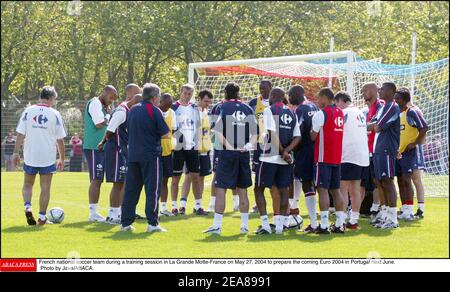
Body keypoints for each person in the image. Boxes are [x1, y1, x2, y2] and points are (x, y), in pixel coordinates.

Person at [203, 82, 257, 235]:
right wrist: (247, 146)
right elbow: (255, 134)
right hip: (243, 154)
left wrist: (229, 146)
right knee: (243, 190)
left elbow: (218, 132)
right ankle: (244, 226)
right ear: (238, 93)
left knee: (221, 189)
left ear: (225, 93)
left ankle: (217, 226)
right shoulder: (247, 108)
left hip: (227, 154)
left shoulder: (223, 107)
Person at [13, 86, 66, 225]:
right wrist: (61, 157)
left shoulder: (28, 111)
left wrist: (15, 153)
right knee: (45, 187)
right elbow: (60, 139)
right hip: (47, 156)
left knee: (28, 183)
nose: (55, 101)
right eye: (54, 99)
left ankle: (27, 206)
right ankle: (42, 218)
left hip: (30, 154)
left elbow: (20, 134)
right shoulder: (55, 114)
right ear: (50, 98)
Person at [120, 83, 169, 232]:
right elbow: (165, 134)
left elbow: (127, 128)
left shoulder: (133, 109)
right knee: (152, 189)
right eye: (159, 97)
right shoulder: (155, 110)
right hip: (150, 155)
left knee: (131, 190)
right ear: (154, 97)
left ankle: (125, 223)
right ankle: (152, 224)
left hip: (133, 155)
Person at [254, 87, 301, 234]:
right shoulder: (291, 112)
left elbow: (272, 133)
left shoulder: (270, 110)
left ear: (274, 96)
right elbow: (298, 136)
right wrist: (287, 152)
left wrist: (281, 151)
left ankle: (266, 225)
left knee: (259, 189)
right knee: (283, 191)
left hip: (269, 157)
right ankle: (280, 227)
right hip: (285, 160)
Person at [98, 84, 142, 224]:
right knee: (118, 183)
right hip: (116, 149)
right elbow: (110, 130)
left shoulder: (127, 110)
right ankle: (112, 215)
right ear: (133, 97)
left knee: (122, 182)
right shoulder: (122, 111)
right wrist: (102, 142)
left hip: (122, 149)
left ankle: (122, 212)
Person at [310, 87, 345, 234]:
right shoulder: (340, 113)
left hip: (323, 157)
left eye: (319, 98)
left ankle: (324, 225)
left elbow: (313, 136)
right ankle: (339, 224)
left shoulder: (321, 114)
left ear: (325, 97)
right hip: (337, 157)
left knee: (322, 190)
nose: (318, 101)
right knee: (336, 190)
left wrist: (310, 131)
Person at [334, 91, 369, 230]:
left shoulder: (345, 113)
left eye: (336, 104)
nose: (336, 107)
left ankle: (341, 221)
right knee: (355, 189)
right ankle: (354, 220)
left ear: (340, 101)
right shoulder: (360, 112)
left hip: (348, 154)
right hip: (362, 155)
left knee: (342, 188)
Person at [368, 82, 401, 229]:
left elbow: (377, 126)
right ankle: (386, 215)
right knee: (380, 182)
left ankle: (393, 219)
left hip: (386, 149)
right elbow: (371, 125)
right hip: (378, 149)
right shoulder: (382, 107)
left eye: (383, 89)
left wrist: (372, 126)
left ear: (391, 91)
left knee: (387, 181)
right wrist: (370, 126)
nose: (380, 91)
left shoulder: (392, 107)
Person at [83, 85, 118, 222]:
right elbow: (98, 123)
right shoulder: (95, 103)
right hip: (93, 147)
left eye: (114, 99)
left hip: (100, 147)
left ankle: (95, 212)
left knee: (98, 179)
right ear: (104, 92)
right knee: (96, 179)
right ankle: (93, 213)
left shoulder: (102, 106)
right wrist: (109, 115)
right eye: (111, 97)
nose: (111, 101)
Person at [171, 84, 207, 215]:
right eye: (185, 93)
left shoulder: (194, 108)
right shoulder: (174, 107)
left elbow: (198, 126)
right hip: (178, 147)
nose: (187, 96)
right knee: (176, 177)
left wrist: (198, 143)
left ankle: (198, 205)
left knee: (195, 177)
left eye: (189, 94)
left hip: (191, 147)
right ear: (181, 92)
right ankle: (174, 206)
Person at [289, 85, 320, 232]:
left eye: (290, 95)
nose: (289, 98)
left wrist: (288, 149)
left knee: (307, 184)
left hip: (305, 151)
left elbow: (298, 134)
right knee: (306, 181)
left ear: (297, 94)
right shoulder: (314, 106)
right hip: (317, 150)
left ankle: (313, 223)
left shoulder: (301, 109)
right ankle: (294, 208)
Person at [394, 87, 428, 221]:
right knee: (401, 180)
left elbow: (424, 127)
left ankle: (414, 209)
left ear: (403, 99)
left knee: (410, 179)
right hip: (399, 152)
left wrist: (414, 143)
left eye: (397, 98)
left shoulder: (412, 111)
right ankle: (405, 209)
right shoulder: (399, 113)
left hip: (410, 152)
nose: (395, 100)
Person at [182, 90, 214, 211]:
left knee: (201, 177)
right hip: (193, 149)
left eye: (209, 102)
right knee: (189, 177)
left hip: (205, 150)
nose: (207, 104)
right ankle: (182, 205)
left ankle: (198, 206)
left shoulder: (207, 113)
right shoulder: (192, 111)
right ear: (199, 99)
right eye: (206, 101)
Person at [206, 100, 240, 212]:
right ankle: (212, 204)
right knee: (217, 174)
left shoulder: (240, 106)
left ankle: (237, 203)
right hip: (220, 146)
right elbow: (213, 128)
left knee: (235, 173)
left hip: (235, 144)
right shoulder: (218, 107)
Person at [361, 82, 385, 223]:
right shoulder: (368, 109)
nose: (363, 93)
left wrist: (360, 127)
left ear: (375, 90)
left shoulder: (380, 106)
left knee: (380, 181)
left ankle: (381, 208)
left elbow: (376, 127)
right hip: (368, 150)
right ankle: (375, 208)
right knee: (372, 181)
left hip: (378, 150)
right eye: (363, 90)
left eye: (366, 90)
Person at [248, 80, 272, 213]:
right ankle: (259, 204)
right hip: (259, 144)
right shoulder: (253, 102)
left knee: (273, 174)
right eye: (260, 88)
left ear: (270, 88)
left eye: (264, 88)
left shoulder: (278, 101)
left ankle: (278, 203)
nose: (262, 90)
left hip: (273, 143)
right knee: (258, 174)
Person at [159, 93, 177, 216]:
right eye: (164, 105)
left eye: (168, 106)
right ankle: (153, 206)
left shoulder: (172, 113)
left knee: (165, 180)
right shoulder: (155, 112)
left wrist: (173, 144)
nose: (166, 108)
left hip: (167, 150)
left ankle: (163, 207)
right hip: (154, 150)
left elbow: (174, 129)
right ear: (160, 102)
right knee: (153, 180)